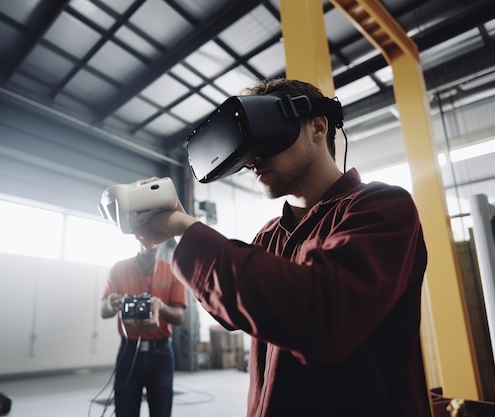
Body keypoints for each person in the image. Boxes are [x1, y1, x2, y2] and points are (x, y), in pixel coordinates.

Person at [134, 78, 431, 416]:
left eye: (266, 134)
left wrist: (183, 228)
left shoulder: (381, 206)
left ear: (317, 127)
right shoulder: (270, 235)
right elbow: (232, 313)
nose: (252, 159)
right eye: (246, 147)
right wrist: (179, 227)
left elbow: (320, 318)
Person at [101, 240, 187, 417]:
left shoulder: (172, 271)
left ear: (162, 241)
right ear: (135, 237)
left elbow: (179, 316)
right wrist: (111, 304)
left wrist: (161, 307)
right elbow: (104, 310)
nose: (149, 240)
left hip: (161, 352)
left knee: (161, 412)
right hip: (128, 350)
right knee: (124, 410)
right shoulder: (118, 268)